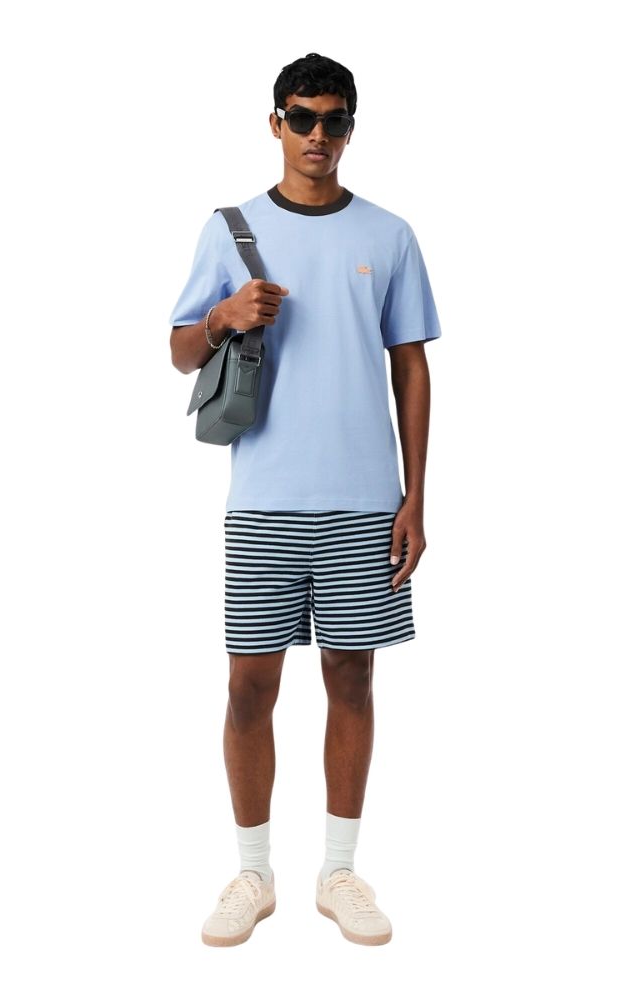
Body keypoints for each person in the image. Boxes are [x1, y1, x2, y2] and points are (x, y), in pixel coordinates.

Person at [168, 53, 442, 947]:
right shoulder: (232, 229)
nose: (317, 134)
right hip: (264, 500)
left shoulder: (389, 235)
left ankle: (339, 872)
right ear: (275, 123)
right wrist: (224, 316)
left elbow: (411, 367)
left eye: (334, 119)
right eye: (301, 117)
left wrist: (415, 498)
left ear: (351, 129)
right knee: (249, 686)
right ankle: (253, 873)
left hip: (366, 501)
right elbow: (178, 350)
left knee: (352, 677)